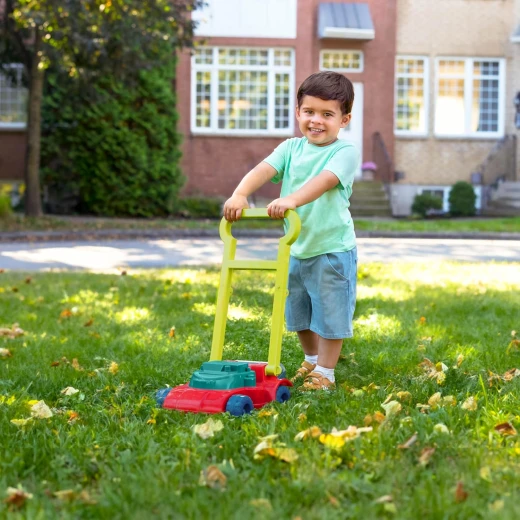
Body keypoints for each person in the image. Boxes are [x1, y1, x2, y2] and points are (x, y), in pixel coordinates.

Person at [223, 71, 359, 391]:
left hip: (331, 248)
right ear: (298, 112)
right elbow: (263, 170)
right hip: (295, 247)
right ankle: (311, 361)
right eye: (309, 112)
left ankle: (325, 372)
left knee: (329, 313)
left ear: (344, 119)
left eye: (327, 114)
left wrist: (291, 200)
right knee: (298, 313)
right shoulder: (290, 148)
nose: (317, 121)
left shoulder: (344, 152)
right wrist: (241, 194)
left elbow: (323, 181)